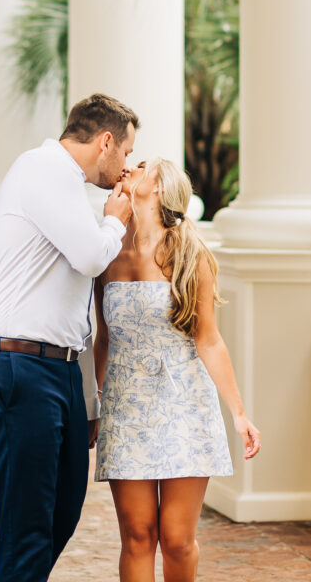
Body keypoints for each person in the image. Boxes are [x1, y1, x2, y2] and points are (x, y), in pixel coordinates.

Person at [0, 93, 139, 582]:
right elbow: (90, 257)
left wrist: (86, 400)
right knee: (28, 529)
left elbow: (74, 310)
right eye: (125, 152)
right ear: (106, 141)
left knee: (61, 512)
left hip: (55, 370)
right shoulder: (42, 169)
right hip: (16, 366)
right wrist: (116, 219)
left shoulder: (67, 188)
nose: (124, 164)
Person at [94, 157, 261, 582]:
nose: (131, 166)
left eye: (144, 166)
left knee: (176, 539)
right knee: (136, 534)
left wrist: (239, 413)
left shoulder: (190, 253)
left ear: (161, 188)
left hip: (185, 406)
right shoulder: (108, 250)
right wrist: (94, 405)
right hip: (125, 408)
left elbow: (208, 338)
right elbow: (104, 338)